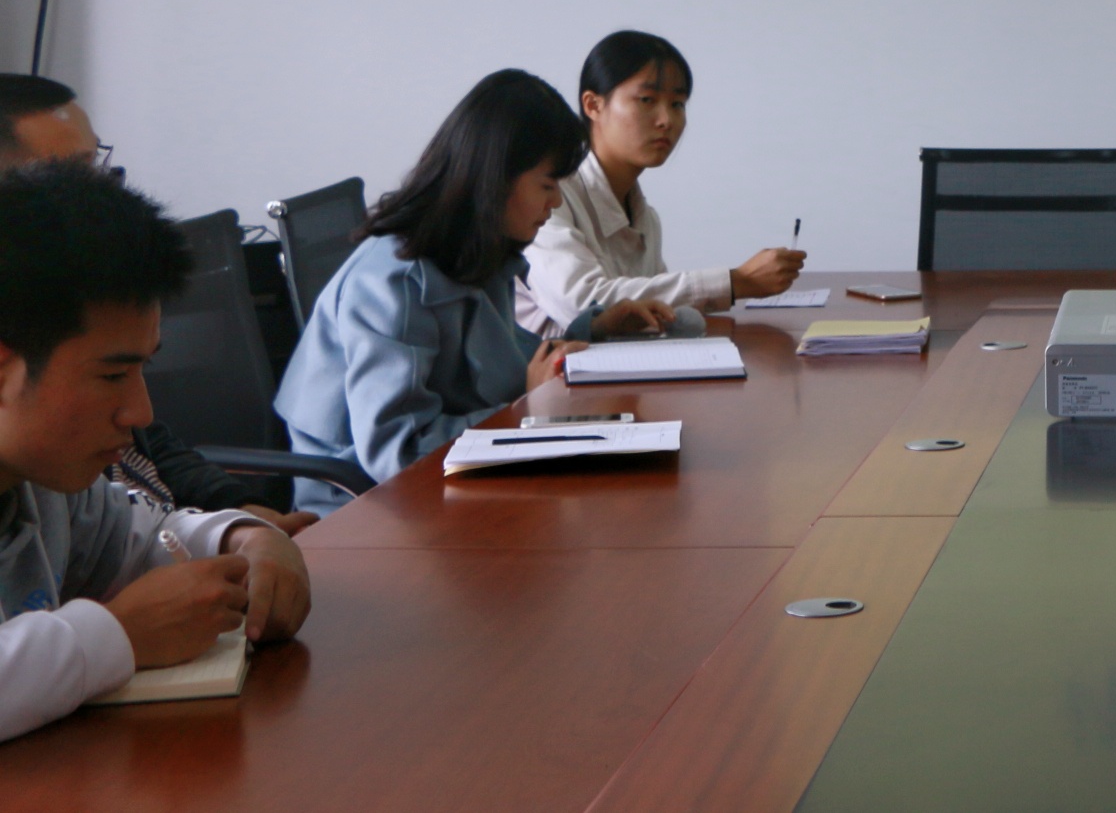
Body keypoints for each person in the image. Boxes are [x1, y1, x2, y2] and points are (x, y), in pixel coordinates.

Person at [0, 162, 311, 741]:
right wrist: (117, 635)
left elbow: (147, 537)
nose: (140, 413)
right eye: (112, 375)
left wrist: (245, 539)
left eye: (142, 369)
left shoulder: (41, 482)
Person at [274, 70, 676, 511]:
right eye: (547, 185)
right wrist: (527, 410)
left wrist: (592, 331)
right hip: (364, 509)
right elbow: (399, 451)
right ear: (496, 179)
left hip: (452, 484)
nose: (556, 202)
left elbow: (501, 364)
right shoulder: (397, 281)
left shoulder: (476, 252)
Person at [0, 74, 312, 533]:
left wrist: (237, 515)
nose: (104, 193)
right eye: (72, 175)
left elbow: (148, 446)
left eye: (99, 165)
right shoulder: (42, 460)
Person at [516, 31, 805, 339]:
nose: (666, 120)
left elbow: (656, 315)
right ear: (593, 105)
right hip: (548, 370)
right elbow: (585, 307)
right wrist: (735, 282)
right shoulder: (551, 198)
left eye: (678, 104)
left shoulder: (646, 218)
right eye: (647, 100)